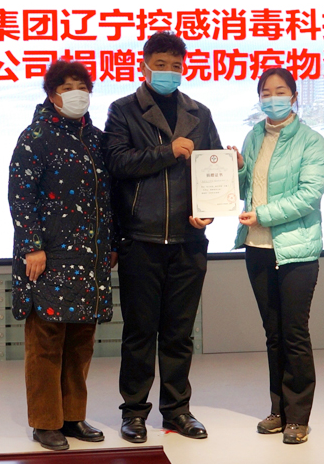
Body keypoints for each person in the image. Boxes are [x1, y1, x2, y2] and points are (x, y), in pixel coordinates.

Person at [104, 31, 222, 443]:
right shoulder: (123, 110)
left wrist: (209, 209)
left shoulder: (200, 112)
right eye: (161, 64)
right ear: (144, 65)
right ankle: (134, 413)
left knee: (179, 333)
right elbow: (117, 162)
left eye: (175, 65)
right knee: (139, 333)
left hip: (188, 242)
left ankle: (177, 410)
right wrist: (167, 151)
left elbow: (212, 168)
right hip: (141, 239)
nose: (169, 71)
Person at [8, 60, 116, 451]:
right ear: (51, 94)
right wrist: (32, 246)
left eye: (81, 86)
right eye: (66, 87)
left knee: (81, 341)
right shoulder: (35, 136)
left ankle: (72, 416)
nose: (76, 93)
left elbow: (108, 197)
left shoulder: (98, 139)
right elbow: (20, 196)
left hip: (90, 258)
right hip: (49, 256)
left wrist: (111, 244)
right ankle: (45, 422)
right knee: (46, 340)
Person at [229, 67, 324, 444]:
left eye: (280, 91)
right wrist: (239, 168)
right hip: (257, 248)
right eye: (266, 93)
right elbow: (247, 189)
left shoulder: (311, 141)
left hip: (296, 251)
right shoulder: (254, 135)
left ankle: (298, 416)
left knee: (294, 333)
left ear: (295, 96)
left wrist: (264, 215)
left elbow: (309, 196)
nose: (273, 98)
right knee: (273, 334)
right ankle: (279, 410)